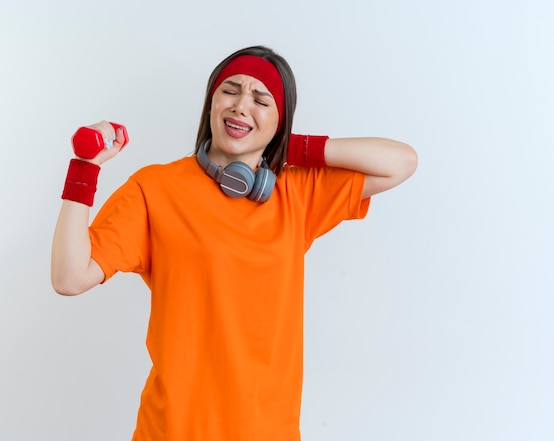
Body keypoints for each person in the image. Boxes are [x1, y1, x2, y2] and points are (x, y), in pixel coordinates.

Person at [51, 45, 417, 441]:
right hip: (172, 430)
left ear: (281, 120)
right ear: (211, 101)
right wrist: (85, 169)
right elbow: (70, 277)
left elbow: (401, 162)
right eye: (230, 91)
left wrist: (289, 146)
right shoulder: (154, 189)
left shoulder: (298, 191)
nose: (241, 105)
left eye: (261, 100)